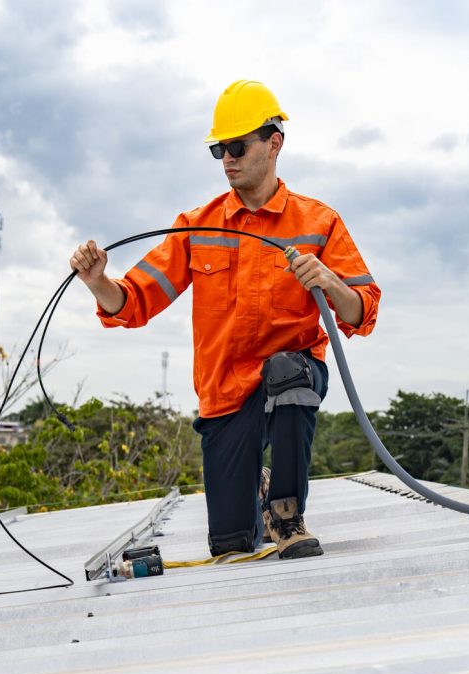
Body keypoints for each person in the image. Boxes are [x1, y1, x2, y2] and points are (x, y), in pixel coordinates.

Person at [70, 79, 380, 559]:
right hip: (224, 394)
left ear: (274, 144)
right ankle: (253, 490)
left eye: (237, 146)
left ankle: (286, 515)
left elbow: (363, 311)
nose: (227, 159)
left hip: (290, 376)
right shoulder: (197, 225)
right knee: (231, 546)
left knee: (290, 372)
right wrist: (97, 281)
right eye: (219, 149)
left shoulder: (319, 223)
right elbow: (133, 302)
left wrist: (330, 282)